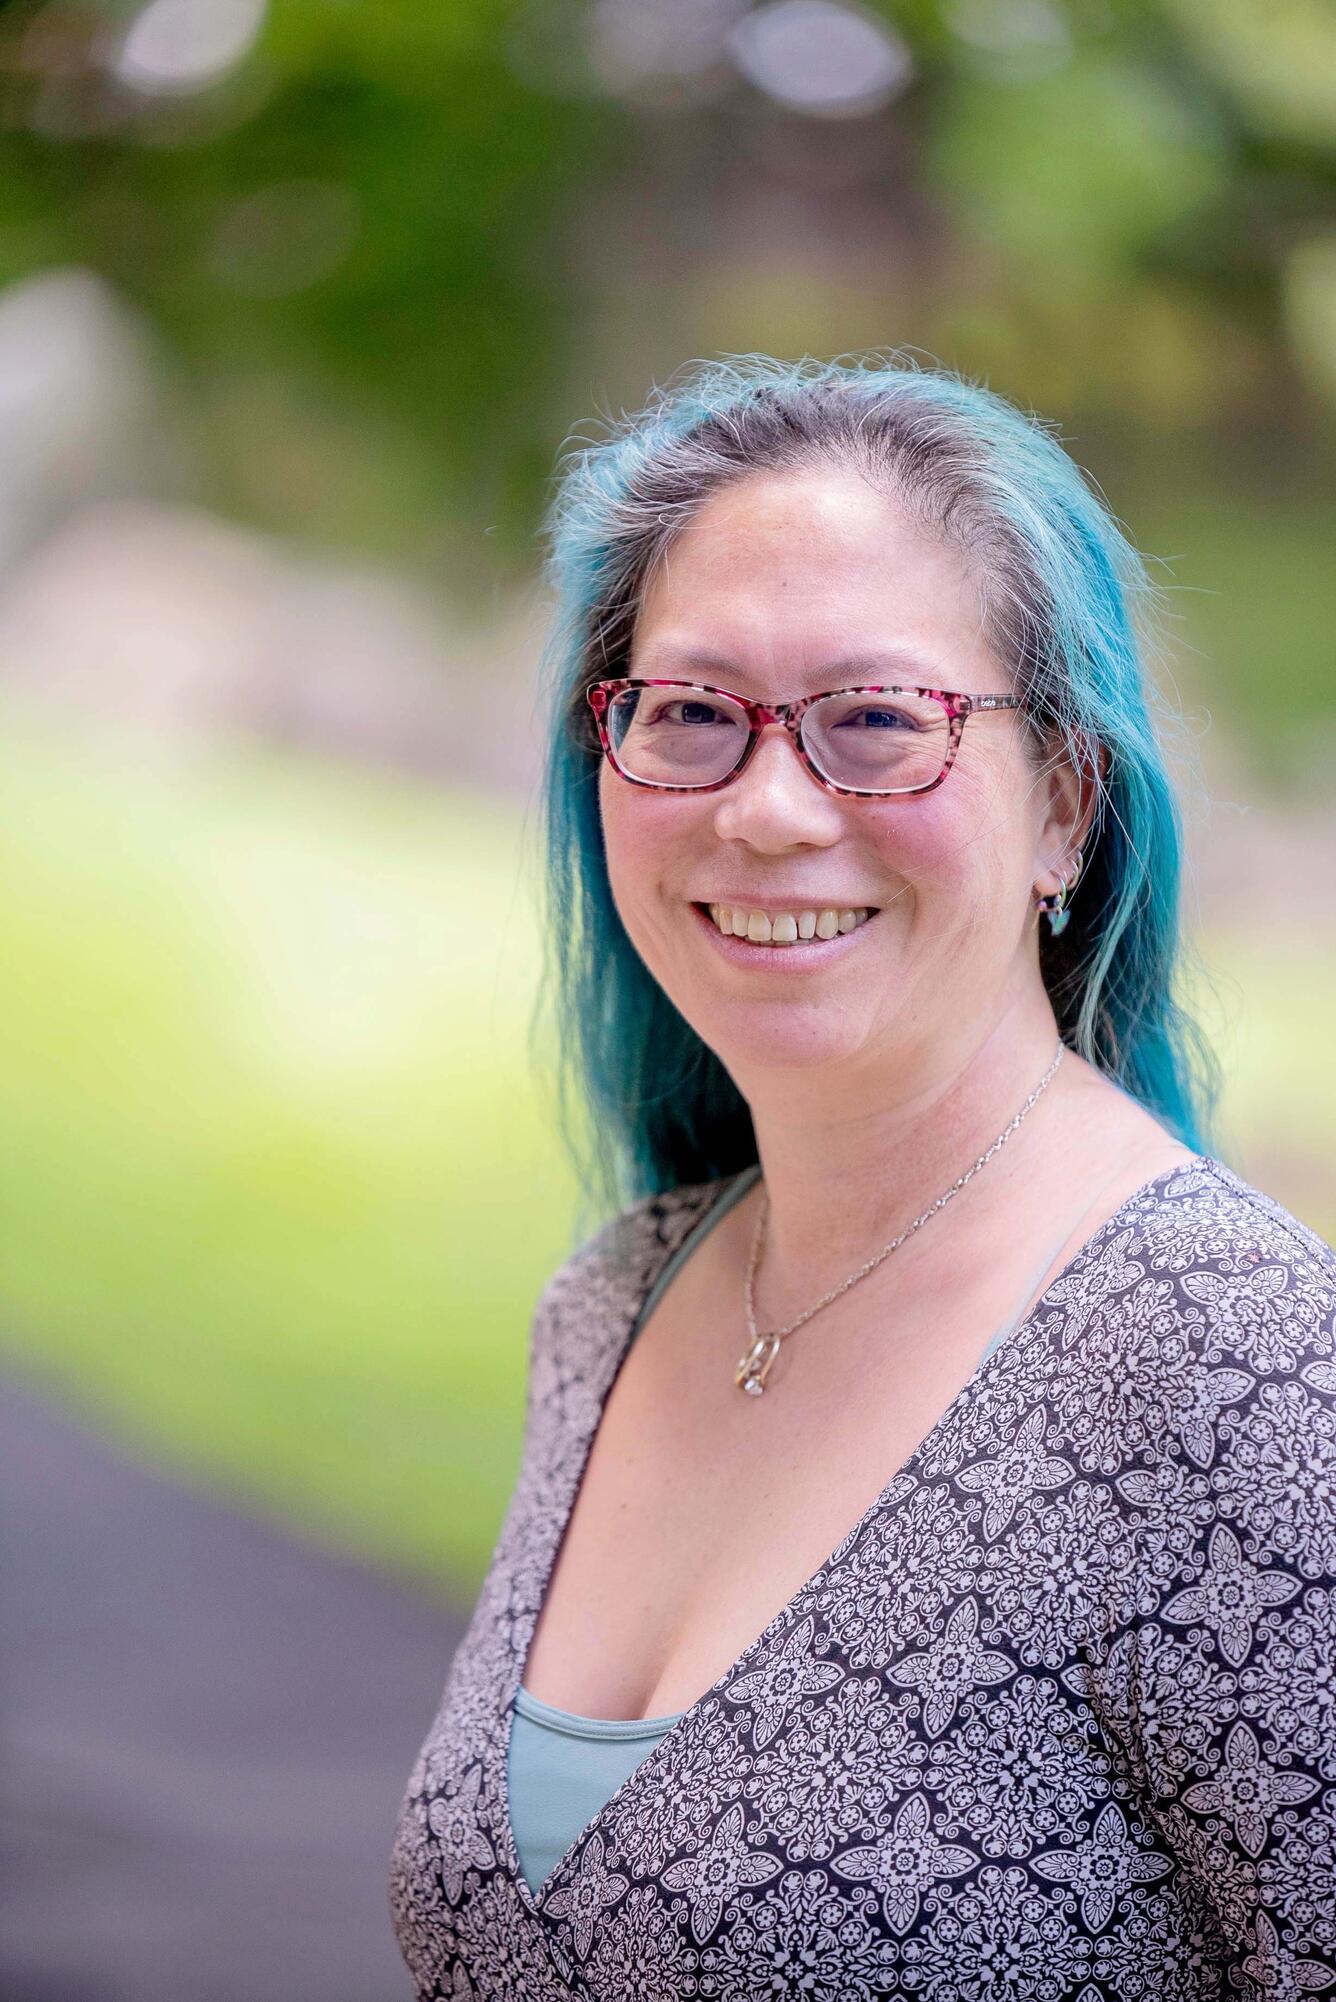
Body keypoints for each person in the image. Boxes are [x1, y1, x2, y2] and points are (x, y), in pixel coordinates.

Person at [389, 354, 1336, 1999]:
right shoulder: (619, 1299)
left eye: (878, 721)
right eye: (689, 712)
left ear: (1064, 804)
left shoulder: (1238, 1365)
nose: (765, 808)